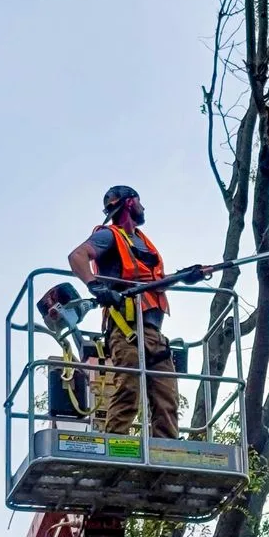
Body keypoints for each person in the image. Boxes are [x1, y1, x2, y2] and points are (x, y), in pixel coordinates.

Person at [67, 185, 179, 439]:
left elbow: (153, 281)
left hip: (154, 334)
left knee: (167, 398)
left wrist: (186, 276)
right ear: (129, 203)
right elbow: (77, 256)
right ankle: (115, 443)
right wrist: (95, 285)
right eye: (139, 202)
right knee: (128, 390)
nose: (143, 207)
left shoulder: (143, 242)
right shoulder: (109, 236)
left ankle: (166, 451)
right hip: (125, 329)